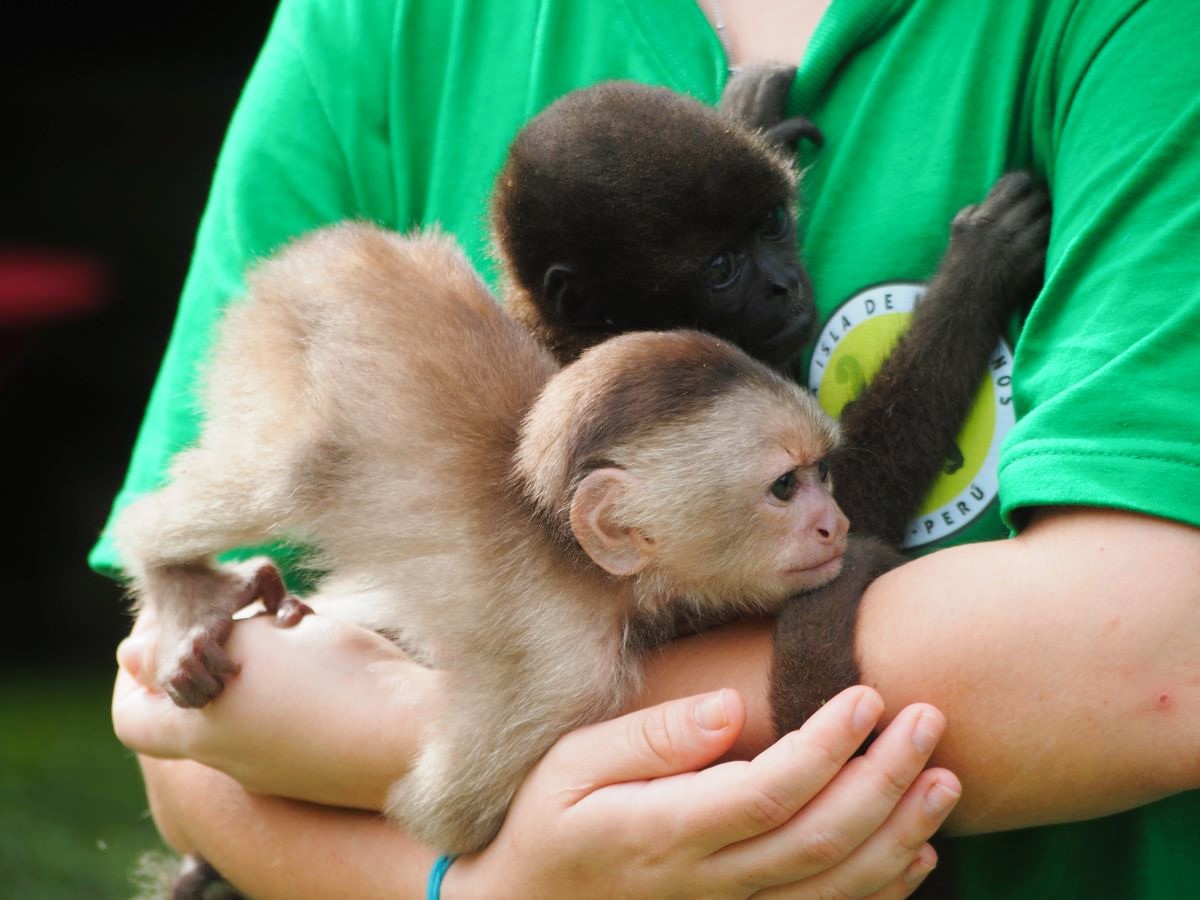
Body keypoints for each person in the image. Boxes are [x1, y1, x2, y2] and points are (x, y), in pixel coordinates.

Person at [97, 0, 1200, 896]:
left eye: (780, 226)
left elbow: (1154, 655)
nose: (783, 280)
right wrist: (475, 882)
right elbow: (176, 730)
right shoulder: (372, 30)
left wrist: (378, 729)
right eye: (732, 269)